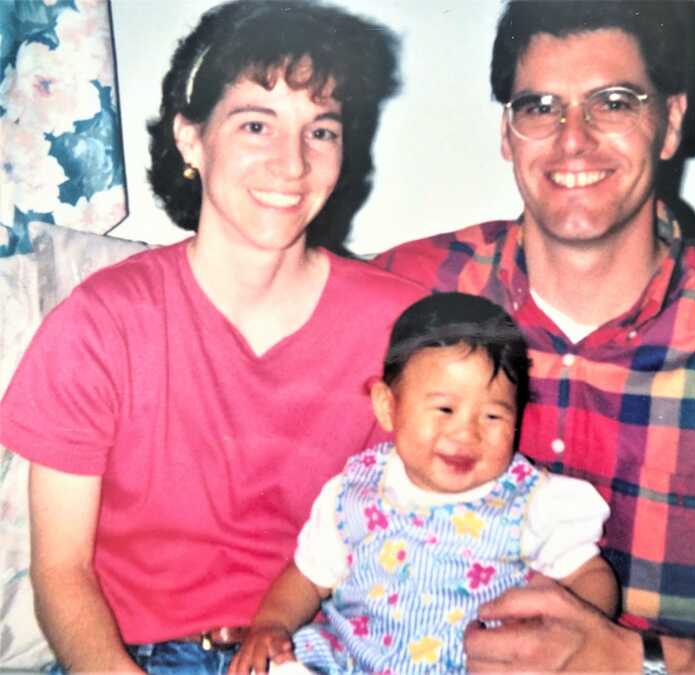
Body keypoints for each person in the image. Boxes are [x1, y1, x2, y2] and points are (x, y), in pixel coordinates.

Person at [372, 1, 695, 672]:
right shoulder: (407, 296)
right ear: (507, 133)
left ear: (671, 121)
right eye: (540, 107)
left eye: (613, 102)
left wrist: (642, 660)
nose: (573, 138)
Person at [0, 1, 423, 673]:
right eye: (256, 124)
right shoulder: (101, 321)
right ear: (192, 139)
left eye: (321, 131)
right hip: (130, 656)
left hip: (313, 655)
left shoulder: (401, 329)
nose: (292, 163)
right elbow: (61, 569)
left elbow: (412, 548)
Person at [228, 292, 618, 675]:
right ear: (387, 406)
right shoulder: (354, 491)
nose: (467, 433)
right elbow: (307, 579)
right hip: (353, 660)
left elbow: (590, 576)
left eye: (493, 417)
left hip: (472, 664)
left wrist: (577, 636)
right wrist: (271, 625)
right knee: (286, 663)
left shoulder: (531, 501)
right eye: (445, 409)